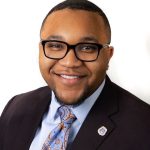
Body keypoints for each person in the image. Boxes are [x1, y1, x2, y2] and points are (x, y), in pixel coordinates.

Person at [0, 0, 150, 149]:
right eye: (56, 46)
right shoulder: (16, 107)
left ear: (108, 55)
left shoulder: (144, 128)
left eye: (87, 47)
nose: (70, 62)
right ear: (40, 50)